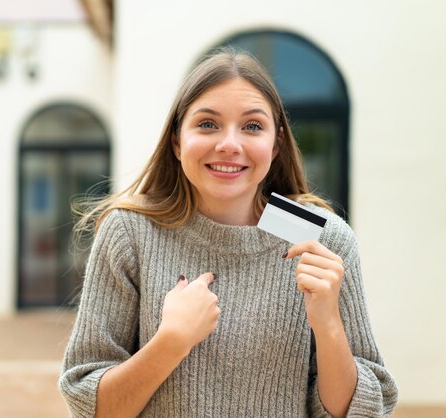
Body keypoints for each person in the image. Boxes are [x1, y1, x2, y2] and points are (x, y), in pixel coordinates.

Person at [59, 49, 398, 417]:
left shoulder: (323, 239)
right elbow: (90, 407)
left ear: (276, 143)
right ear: (176, 140)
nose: (229, 144)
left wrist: (328, 324)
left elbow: (362, 411)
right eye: (207, 124)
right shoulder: (129, 234)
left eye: (252, 126)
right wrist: (171, 341)